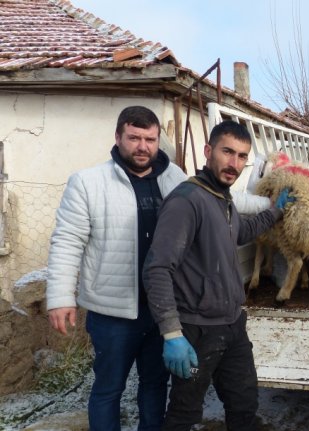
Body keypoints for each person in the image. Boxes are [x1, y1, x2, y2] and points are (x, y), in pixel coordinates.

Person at [142, 120, 294, 430]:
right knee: (185, 413)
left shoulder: (221, 198)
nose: (234, 163)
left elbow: (241, 232)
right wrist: (172, 334)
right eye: (227, 152)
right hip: (197, 330)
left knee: (244, 404)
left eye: (241, 156)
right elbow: (157, 268)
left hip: (232, 325)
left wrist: (275, 212)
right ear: (208, 151)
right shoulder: (187, 201)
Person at [46, 106, 187, 431]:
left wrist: (267, 206)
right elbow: (67, 241)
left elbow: (214, 208)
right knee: (108, 390)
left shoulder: (175, 179)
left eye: (150, 139)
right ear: (118, 137)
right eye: (134, 137)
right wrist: (59, 297)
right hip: (112, 315)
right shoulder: (88, 182)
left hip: (162, 312)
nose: (143, 146)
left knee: (154, 388)